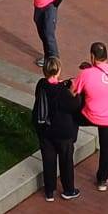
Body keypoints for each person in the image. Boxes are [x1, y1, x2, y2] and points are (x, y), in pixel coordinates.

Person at [71, 43, 108, 191]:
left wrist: (86, 72)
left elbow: (73, 91)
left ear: (92, 56)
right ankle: (103, 180)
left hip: (91, 116)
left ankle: (70, 142)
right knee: (106, 147)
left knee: (72, 116)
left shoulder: (86, 74)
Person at [31, 57, 82, 200]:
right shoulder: (63, 91)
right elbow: (74, 105)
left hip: (45, 130)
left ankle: (49, 191)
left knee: (48, 159)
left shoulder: (41, 85)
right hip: (63, 132)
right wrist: (73, 91)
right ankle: (68, 190)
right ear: (58, 70)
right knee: (66, 160)